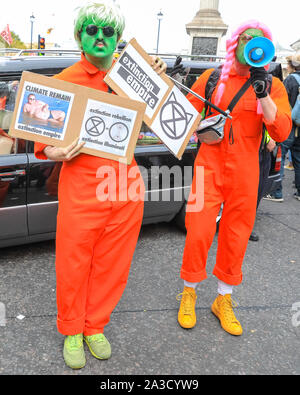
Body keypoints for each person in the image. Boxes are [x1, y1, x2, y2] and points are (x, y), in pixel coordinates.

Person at [34, 1, 166, 370]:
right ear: (79, 35)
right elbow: (41, 140)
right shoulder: (63, 81)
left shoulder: (134, 77)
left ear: (118, 37)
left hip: (125, 189)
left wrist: (159, 77)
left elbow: (166, 119)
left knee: (113, 265)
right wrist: (55, 150)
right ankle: (72, 329)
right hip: (81, 190)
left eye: (109, 31)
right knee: (73, 264)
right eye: (92, 30)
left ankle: (95, 326)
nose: (101, 37)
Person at [177, 20, 291, 336]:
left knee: (236, 235)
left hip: (245, 171)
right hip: (208, 168)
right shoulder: (214, 78)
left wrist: (263, 92)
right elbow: (184, 116)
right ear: (235, 43)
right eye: (246, 39)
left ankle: (223, 299)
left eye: (259, 41)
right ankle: (189, 291)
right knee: (198, 230)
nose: (251, 46)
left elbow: (281, 131)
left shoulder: (274, 86)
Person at [264, 54, 300, 202]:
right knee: (298, 159)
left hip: (290, 125)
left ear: (292, 65)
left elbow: (280, 104)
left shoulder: (291, 80)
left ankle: (276, 192)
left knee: (280, 156)